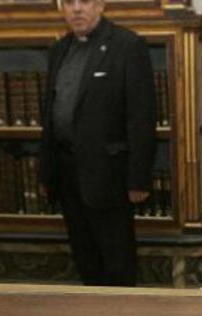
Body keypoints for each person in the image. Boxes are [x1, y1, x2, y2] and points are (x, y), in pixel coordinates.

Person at [40, 0, 156, 287]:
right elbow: (50, 117)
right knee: (85, 259)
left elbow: (142, 118)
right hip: (67, 174)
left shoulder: (127, 45)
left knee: (117, 263)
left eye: (85, 1)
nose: (77, 9)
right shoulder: (59, 49)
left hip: (110, 176)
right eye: (69, 2)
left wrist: (138, 180)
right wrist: (46, 172)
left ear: (101, 5)